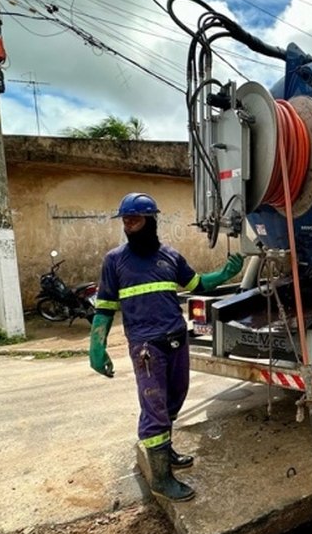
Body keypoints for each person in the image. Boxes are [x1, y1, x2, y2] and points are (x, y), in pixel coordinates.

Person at [88, 193, 244, 501]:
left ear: (151, 221)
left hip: (176, 339)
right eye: (126, 221)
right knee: (155, 408)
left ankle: (165, 450)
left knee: (175, 397)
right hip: (147, 347)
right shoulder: (115, 260)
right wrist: (97, 347)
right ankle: (161, 478)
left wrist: (226, 274)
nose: (129, 226)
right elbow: (105, 307)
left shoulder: (170, 257)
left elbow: (197, 284)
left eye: (135, 220)